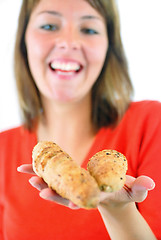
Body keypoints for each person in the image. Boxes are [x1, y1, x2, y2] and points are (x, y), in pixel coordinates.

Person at [0, 0, 161, 239]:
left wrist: (118, 208)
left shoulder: (151, 124)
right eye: (49, 26)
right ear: (23, 41)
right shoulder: (3, 148)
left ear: (109, 48)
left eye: (89, 29)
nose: (68, 42)